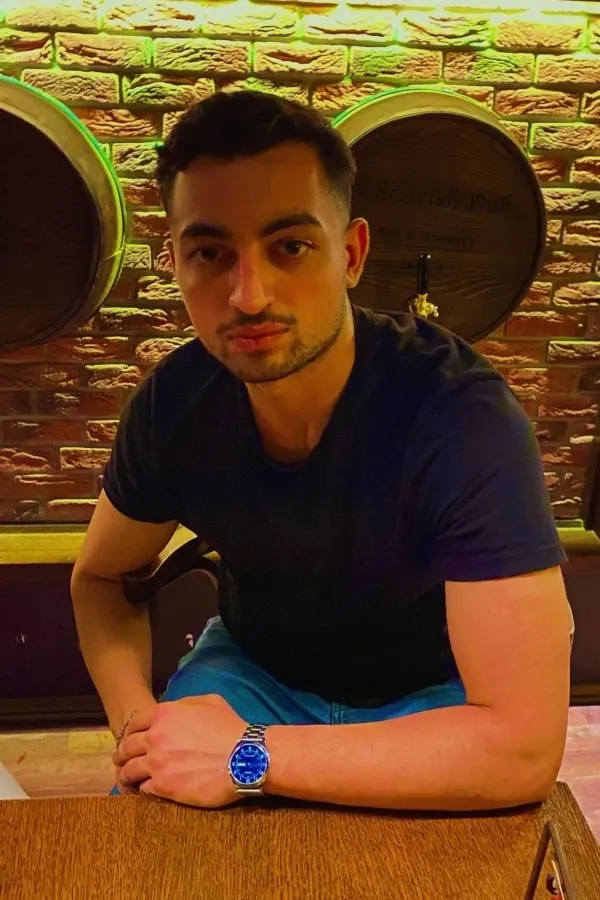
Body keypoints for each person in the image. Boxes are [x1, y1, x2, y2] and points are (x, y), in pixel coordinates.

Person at [70, 89, 572, 813]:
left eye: (290, 247)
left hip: (434, 696)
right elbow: (101, 579)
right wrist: (139, 728)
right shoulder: (176, 404)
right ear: (174, 262)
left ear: (352, 253)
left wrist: (247, 755)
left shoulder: (460, 416)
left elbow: (521, 750)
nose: (249, 295)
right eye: (211, 253)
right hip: (252, 670)